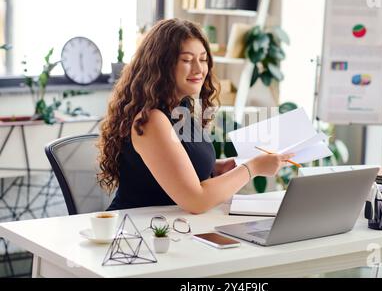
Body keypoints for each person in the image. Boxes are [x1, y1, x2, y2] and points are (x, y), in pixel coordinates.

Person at [97, 18, 295, 213]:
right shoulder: (151, 121)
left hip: (173, 228)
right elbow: (196, 200)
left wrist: (217, 168)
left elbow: (179, 164)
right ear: (161, 65)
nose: (199, 69)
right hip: (138, 234)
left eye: (202, 59)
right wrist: (253, 168)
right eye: (187, 60)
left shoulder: (180, 108)